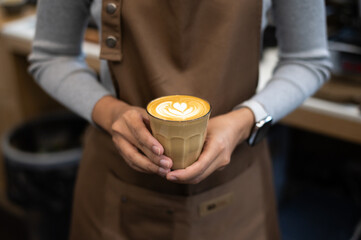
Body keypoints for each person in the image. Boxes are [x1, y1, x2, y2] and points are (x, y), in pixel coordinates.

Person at [29, 0, 332, 239]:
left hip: (235, 186)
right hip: (118, 186)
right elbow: (52, 56)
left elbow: (307, 60)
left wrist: (244, 121)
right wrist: (111, 113)